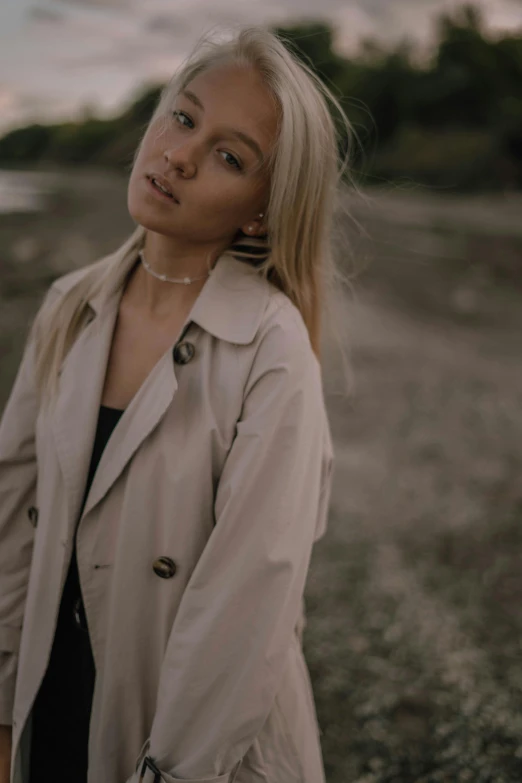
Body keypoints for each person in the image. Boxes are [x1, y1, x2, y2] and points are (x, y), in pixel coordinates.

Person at [0, 24, 352, 783]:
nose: (179, 156)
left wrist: (173, 771)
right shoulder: (69, 304)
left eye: (229, 157)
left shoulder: (271, 351)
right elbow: (12, 518)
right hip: (55, 707)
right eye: (183, 118)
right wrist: (1, 707)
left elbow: (243, 610)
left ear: (259, 211)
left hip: (196, 747)